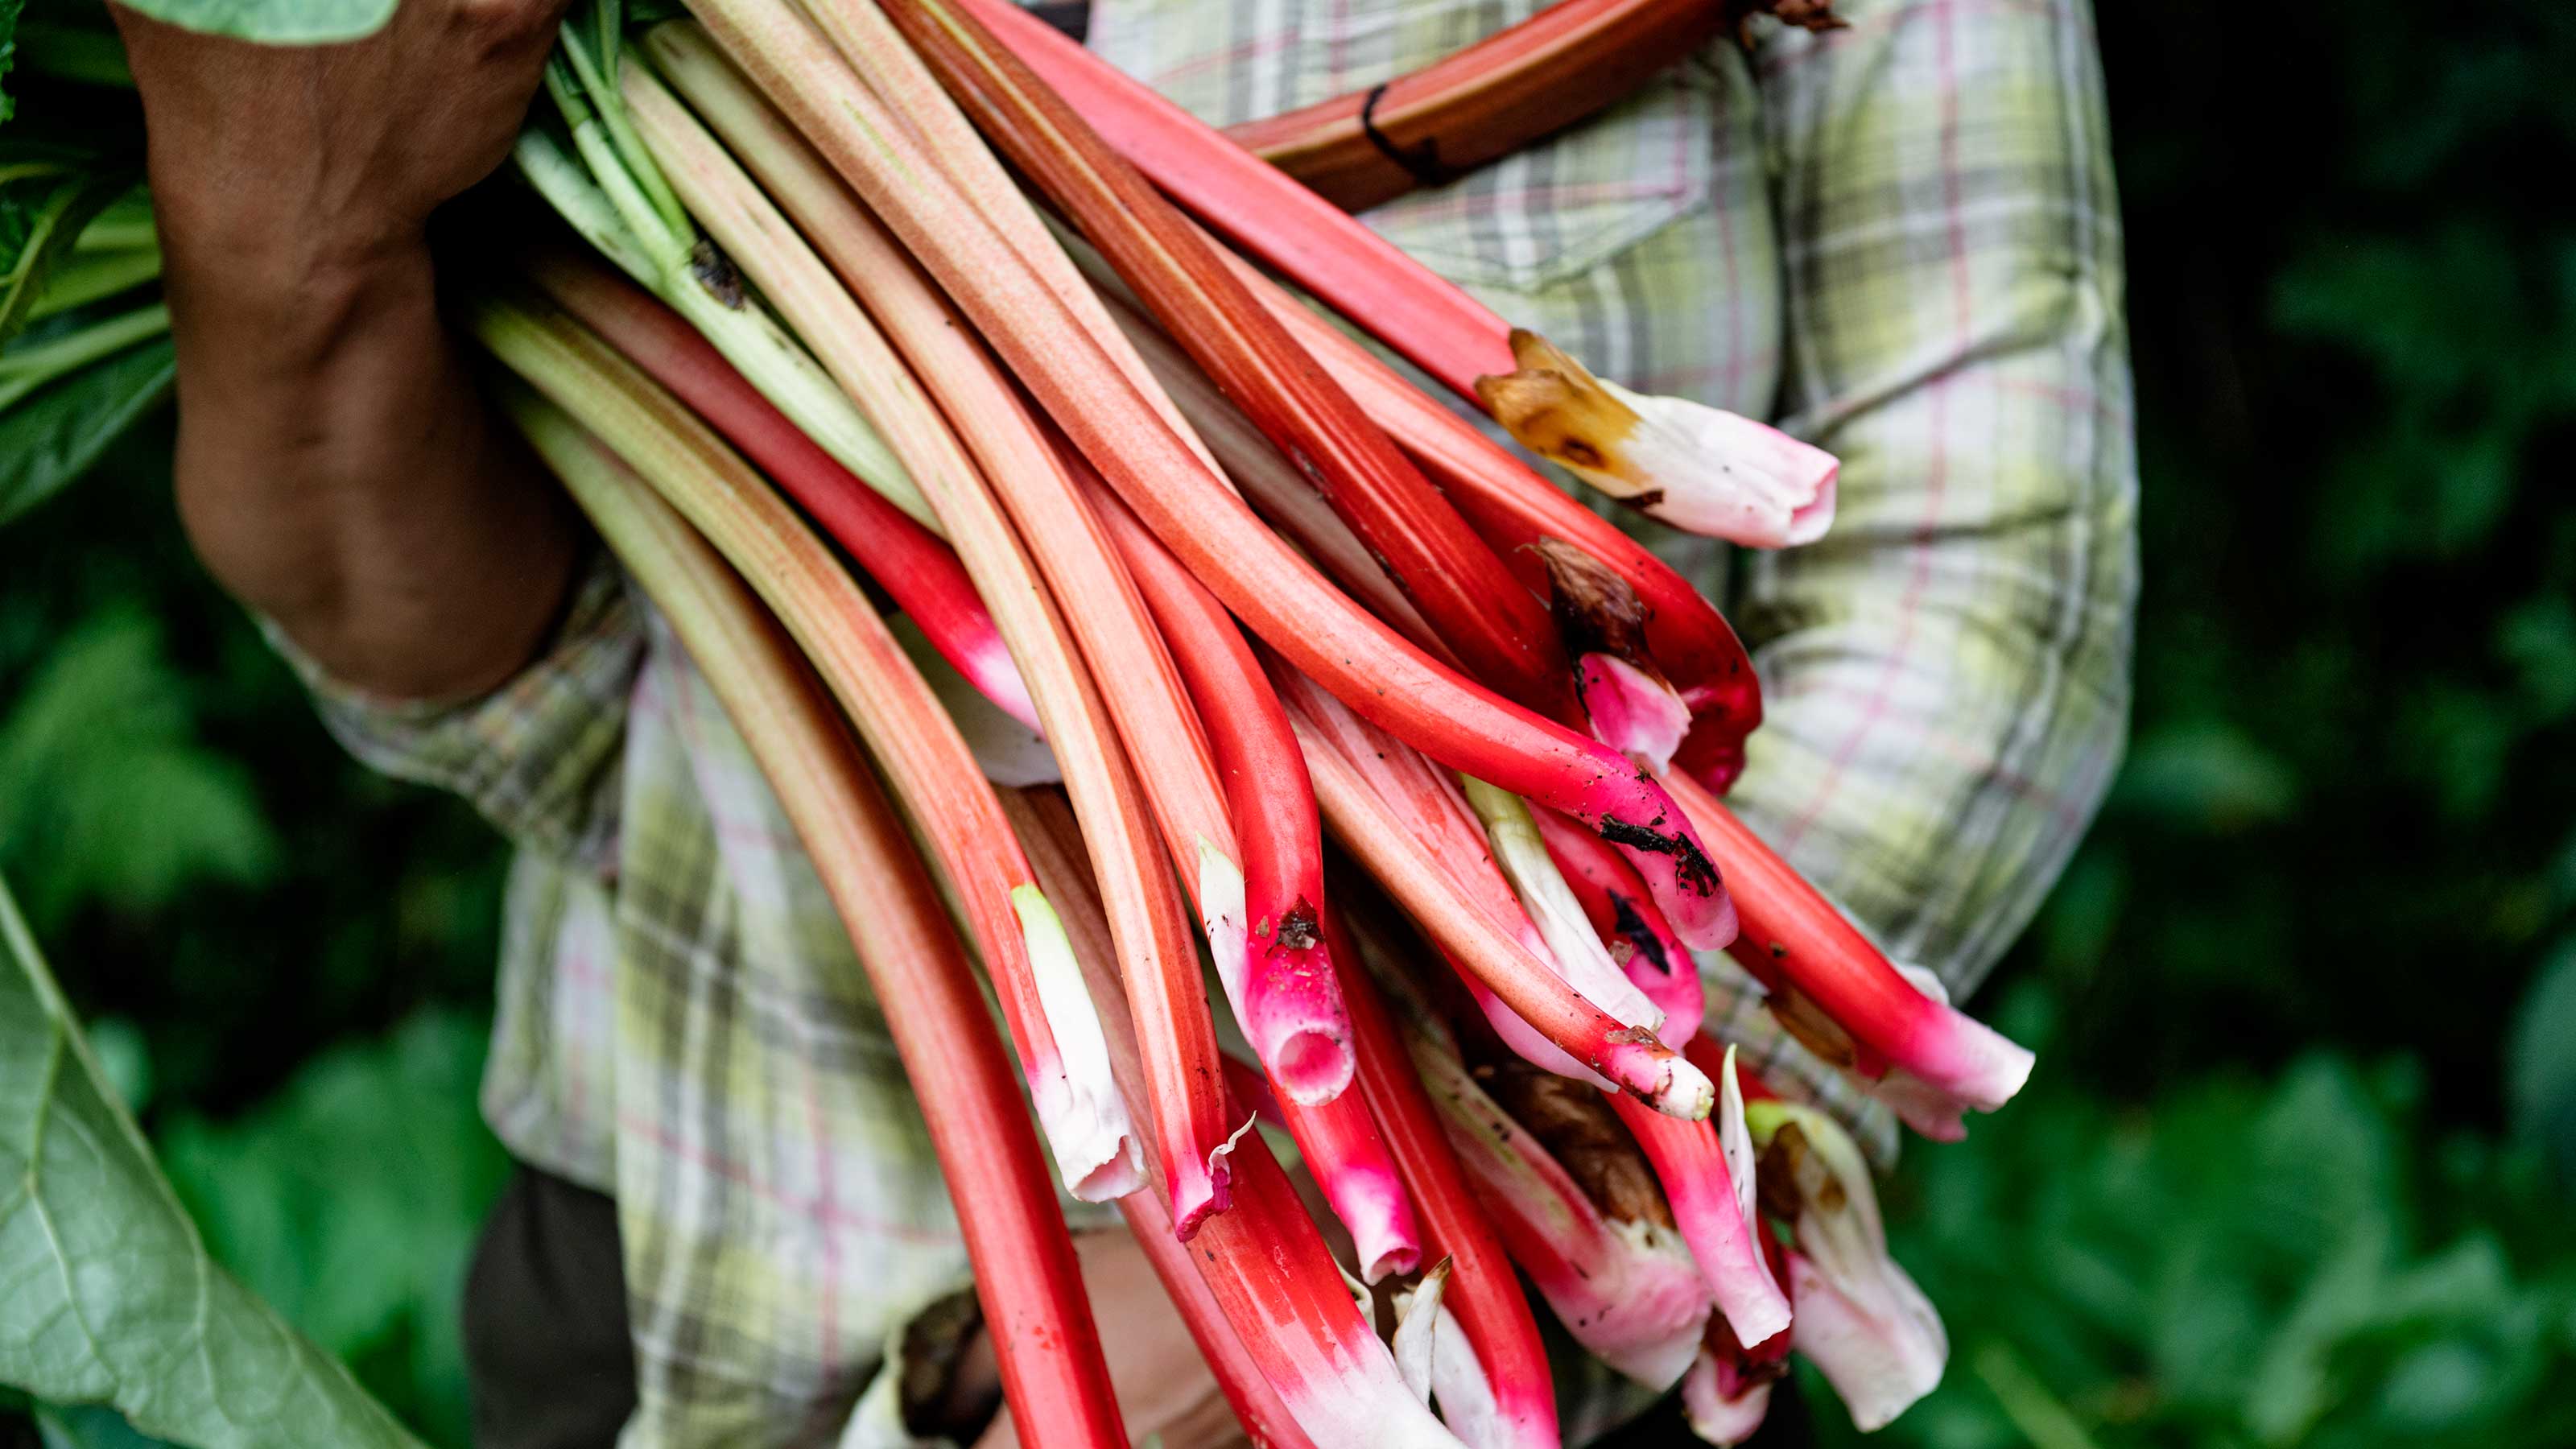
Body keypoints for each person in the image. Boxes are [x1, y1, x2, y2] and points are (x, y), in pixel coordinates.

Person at [112, 0, 2135, 1439]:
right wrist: (282, 242)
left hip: (1440, 1328)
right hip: (689, 1278)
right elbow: (535, 688)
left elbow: (1988, 572)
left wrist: (1349, 1252)